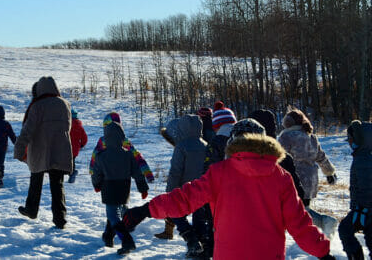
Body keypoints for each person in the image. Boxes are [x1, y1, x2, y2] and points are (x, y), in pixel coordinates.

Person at [118, 134, 335, 260]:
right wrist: (323, 253)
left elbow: (183, 199)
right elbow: (299, 224)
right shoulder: (281, 177)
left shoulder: (220, 172)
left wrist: (145, 210)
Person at [14, 76, 73, 229]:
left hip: (40, 149)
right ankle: (60, 219)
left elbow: (28, 130)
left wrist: (19, 149)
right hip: (60, 149)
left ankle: (32, 210)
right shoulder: (65, 104)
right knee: (57, 185)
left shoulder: (37, 106)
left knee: (36, 180)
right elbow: (68, 127)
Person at [89, 112, 149, 255]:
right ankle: (108, 236)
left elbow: (96, 173)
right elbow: (137, 172)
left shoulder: (101, 156)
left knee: (113, 216)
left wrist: (97, 185)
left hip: (108, 189)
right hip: (124, 189)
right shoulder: (128, 154)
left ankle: (127, 241)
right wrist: (143, 188)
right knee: (116, 211)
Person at [163, 114, 208, 257]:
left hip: (185, 189)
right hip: (203, 190)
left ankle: (191, 240)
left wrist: (170, 191)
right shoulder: (206, 145)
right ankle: (202, 247)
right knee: (200, 217)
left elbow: (175, 171)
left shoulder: (181, 147)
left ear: (181, 129)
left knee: (174, 212)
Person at [278, 109, 336, 207]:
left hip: (294, 180)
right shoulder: (311, 137)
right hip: (310, 180)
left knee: (292, 210)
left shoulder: (286, 136)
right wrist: (329, 172)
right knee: (305, 209)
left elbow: (279, 157)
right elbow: (321, 157)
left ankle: (320, 221)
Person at [339, 120, 372, 260]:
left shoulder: (364, 159)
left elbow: (367, 188)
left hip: (366, 209)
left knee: (345, 230)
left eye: (350, 139)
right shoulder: (362, 155)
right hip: (362, 208)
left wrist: (361, 210)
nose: (349, 142)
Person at [68, 109, 88, 183]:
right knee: (72, 160)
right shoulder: (80, 126)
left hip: (66, 147)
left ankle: (72, 173)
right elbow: (85, 138)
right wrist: (82, 145)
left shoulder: (67, 124)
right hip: (75, 149)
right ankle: (72, 172)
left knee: (66, 161)